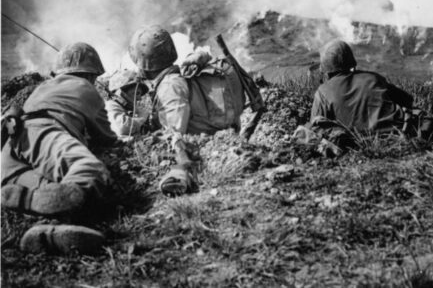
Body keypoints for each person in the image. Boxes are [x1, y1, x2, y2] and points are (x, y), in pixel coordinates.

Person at [1, 43, 116, 254]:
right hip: (43, 133)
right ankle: (54, 212)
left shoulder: (43, 87)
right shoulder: (88, 89)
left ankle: (39, 217)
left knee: (57, 188)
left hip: (10, 148)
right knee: (89, 170)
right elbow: (107, 137)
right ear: (91, 74)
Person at [128, 25, 259, 196]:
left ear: (144, 63)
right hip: (223, 134)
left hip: (202, 144)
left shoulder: (169, 86)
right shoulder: (178, 76)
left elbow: (175, 132)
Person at [295, 39, 433, 154]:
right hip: (400, 134)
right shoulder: (374, 78)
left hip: (357, 142)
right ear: (351, 62)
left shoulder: (322, 92)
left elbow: (316, 124)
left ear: (325, 69)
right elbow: (407, 100)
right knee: (424, 118)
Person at [105, 69, 151, 138]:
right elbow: (122, 128)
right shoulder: (110, 106)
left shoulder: (126, 109)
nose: (139, 98)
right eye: (136, 93)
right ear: (121, 93)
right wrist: (142, 118)